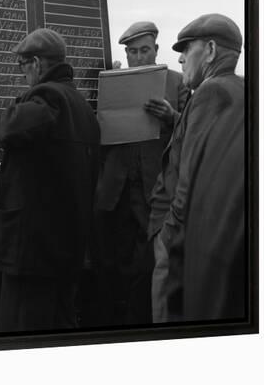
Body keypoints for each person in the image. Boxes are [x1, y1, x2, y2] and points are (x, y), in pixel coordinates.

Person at [0, 28, 101, 333]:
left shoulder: (49, 96)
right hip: (65, 248)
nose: (23, 75)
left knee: (21, 328)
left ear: (36, 63)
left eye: (23, 66)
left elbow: (7, 130)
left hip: (34, 252)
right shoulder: (82, 105)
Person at [148, 13, 245, 323]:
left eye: (186, 49)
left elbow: (188, 183)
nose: (179, 60)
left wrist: (168, 237)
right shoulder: (240, 90)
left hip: (182, 242)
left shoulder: (210, 92)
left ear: (211, 51)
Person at [93, 21, 190, 325]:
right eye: (132, 51)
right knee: (112, 257)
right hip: (115, 188)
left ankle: (142, 318)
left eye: (144, 50)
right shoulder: (114, 80)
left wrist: (171, 117)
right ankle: (114, 319)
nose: (138, 57)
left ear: (156, 51)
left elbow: (193, 130)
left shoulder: (177, 82)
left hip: (153, 188)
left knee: (146, 260)